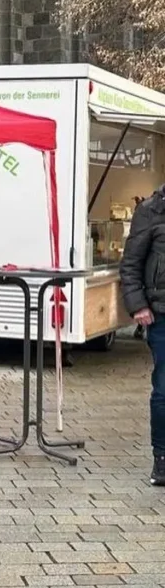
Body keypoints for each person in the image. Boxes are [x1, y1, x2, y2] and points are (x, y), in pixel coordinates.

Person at [120, 185, 165, 484]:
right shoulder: (150, 210)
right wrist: (138, 305)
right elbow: (131, 263)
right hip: (162, 313)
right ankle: (162, 459)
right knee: (164, 389)